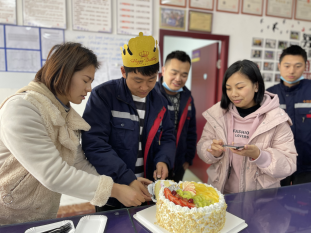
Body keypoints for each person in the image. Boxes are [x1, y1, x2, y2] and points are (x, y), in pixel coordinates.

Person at [0, 43, 146, 226]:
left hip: (41, 215)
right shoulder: (21, 109)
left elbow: (77, 162)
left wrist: (121, 184)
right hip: (7, 217)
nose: (89, 88)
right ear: (65, 72)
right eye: (86, 80)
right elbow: (53, 174)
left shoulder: (64, 114)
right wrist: (115, 190)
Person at [81, 32, 176, 211]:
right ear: (124, 72)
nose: (144, 87)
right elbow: (94, 143)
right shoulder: (104, 96)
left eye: (151, 80)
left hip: (148, 188)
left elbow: (168, 136)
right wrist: (127, 178)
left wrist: (164, 160)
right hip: (114, 189)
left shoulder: (161, 101)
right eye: (138, 80)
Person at [197, 59, 297, 194]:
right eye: (228, 88)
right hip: (220, 195)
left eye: (240, 87)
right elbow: (202, 146)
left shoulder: (276, 119)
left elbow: (289, 165)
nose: (233, 94)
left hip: (260, 200)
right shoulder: (217, 115)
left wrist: (259, 155)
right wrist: (212, 150)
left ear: (256, 86)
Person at [267, 45, 311, 186]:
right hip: (277, 163)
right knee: (276, 202)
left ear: (305, 66)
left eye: (298, 66)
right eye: (287, 65)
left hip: (308, 165)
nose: (292, 70)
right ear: (279, 66)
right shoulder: (269, 95)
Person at [154, 51, 197, 182]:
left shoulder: (187, 97)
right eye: (174, 73)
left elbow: (191, 130)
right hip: (154, 160)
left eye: (184, 75)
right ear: (163, 70)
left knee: (174, 198)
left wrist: (188, 159)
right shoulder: (151, 94)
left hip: (179, 161)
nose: (178, 78)